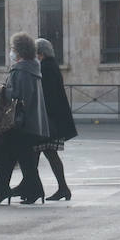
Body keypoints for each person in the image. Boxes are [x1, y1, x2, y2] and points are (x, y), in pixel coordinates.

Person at [0, 32, 49, 205]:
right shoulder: (31, 67)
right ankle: (7, 191)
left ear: (19, 50)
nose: (11, 51)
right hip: (28, 121)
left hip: (20, 122)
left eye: (13, 48)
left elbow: (21, 95)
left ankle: (19, 191)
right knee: (12, 156)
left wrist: (0, 90)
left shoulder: (23, 70)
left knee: (16, 158)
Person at [35, 37, 76, 201]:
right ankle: (61, 188)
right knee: (46, 153)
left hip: (48, 120)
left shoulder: (46, 67)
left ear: (41, 54)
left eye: (36, 53)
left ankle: (42, 188)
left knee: (43, 152)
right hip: (53, 119)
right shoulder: (52, 66)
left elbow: (46, 94)